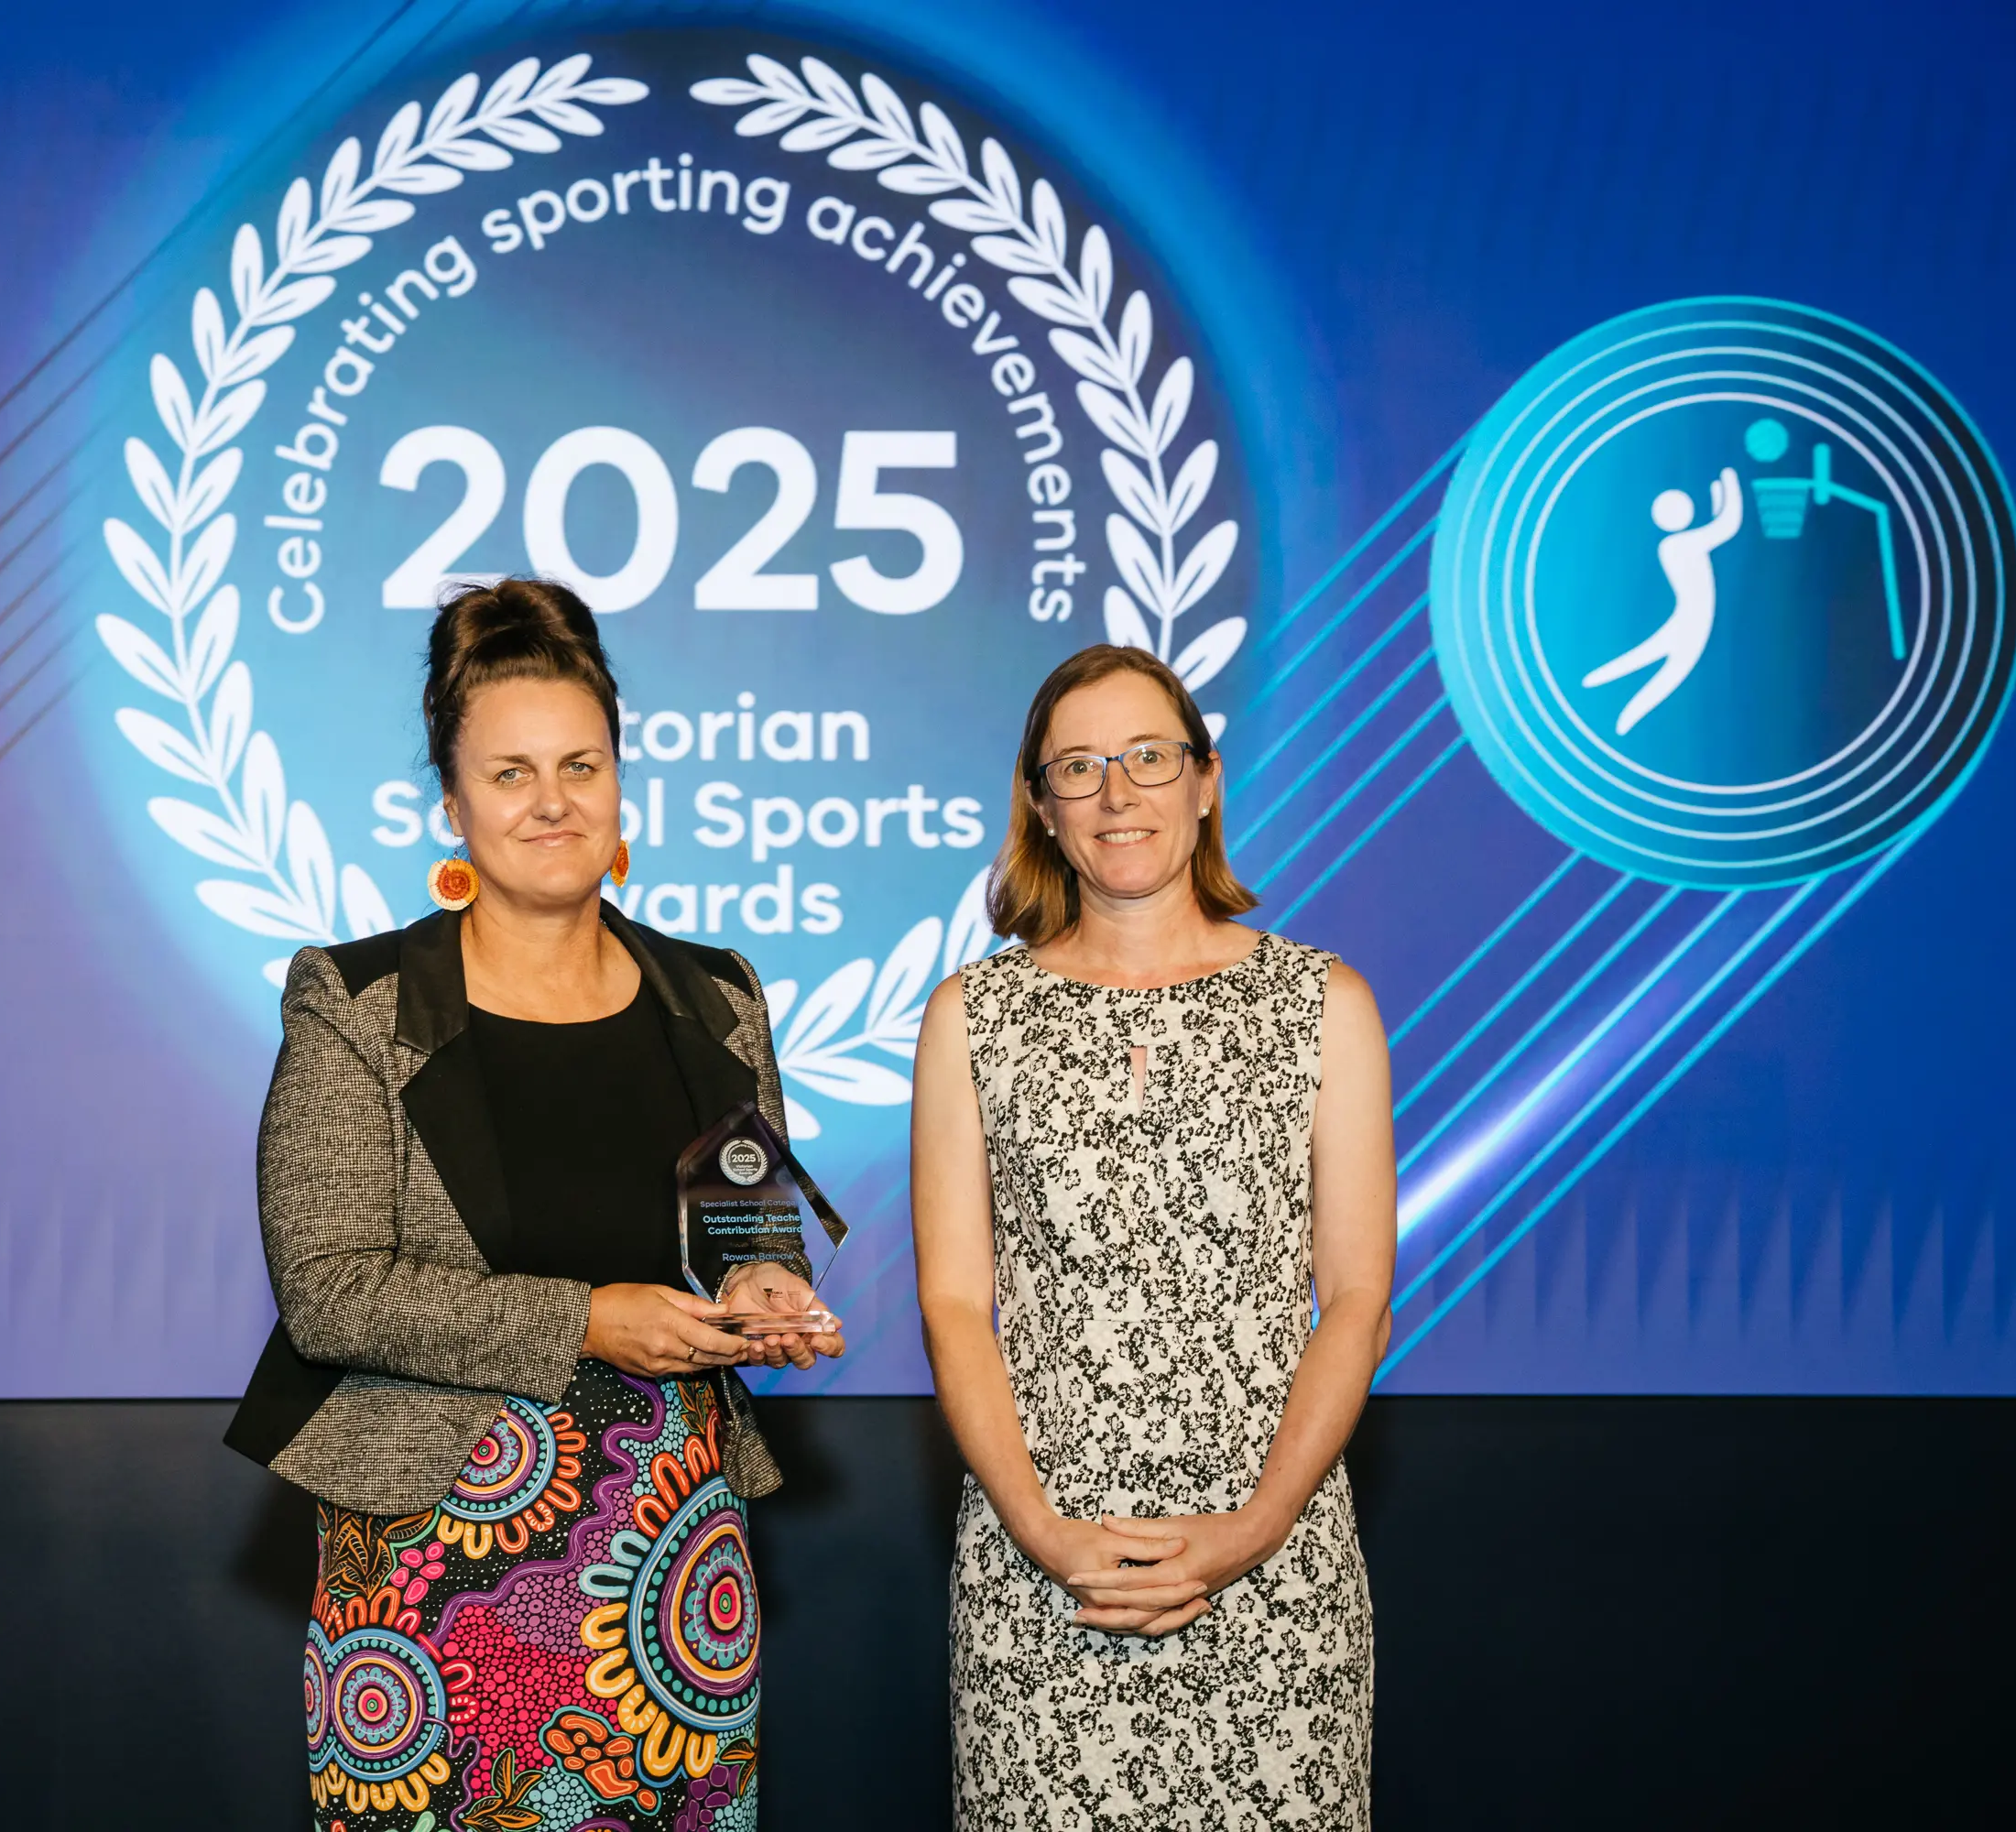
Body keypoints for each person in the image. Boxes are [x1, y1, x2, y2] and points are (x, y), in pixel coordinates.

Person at [226, 578, 841, 1831]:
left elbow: (750, 1222)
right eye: (510, 773)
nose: (552, 801)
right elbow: (330, 1293)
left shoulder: (716, 995)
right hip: (434, 1565)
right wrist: (588, 1320)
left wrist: (766, 1285)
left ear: (620, 781)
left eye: (580, 765)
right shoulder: (359, 1002)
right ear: (452, 804)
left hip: (676, 1564)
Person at [911, 643, 1392, 1828]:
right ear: (1041, 805)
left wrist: (1253, 1530)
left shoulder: (1325, 1003)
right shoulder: (974, 1016)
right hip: (1045, 1582)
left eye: (1148, 757)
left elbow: (1356, 1299)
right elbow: (954, 1305)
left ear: (1206, 781)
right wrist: (1045, 1536)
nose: (1117, 792)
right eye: (1079, 767)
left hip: (1273, 1580)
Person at [1582, 465, 1743, 735]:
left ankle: (1611, 705)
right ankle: (1616, 714)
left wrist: (1718, 491)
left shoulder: (1671, 546)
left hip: (1687, 621)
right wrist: (1730, 480)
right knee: (1663, 676)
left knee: (1651, 669)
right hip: (1690, 623)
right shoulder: (1683, 545)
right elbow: (1727, 525)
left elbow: (1717, 526)